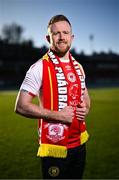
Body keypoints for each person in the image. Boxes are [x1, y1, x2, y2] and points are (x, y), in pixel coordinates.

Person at [15, 14, 91, 179]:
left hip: (80, 145)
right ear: (48, 37)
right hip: (54, 149)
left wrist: (85, 109)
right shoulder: (39, 67)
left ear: (72, 37)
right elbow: (21, 106)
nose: (62, 37)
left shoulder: (78, 67)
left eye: (65, 32)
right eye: (56, 33)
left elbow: (86, 99)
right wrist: (58, 115)